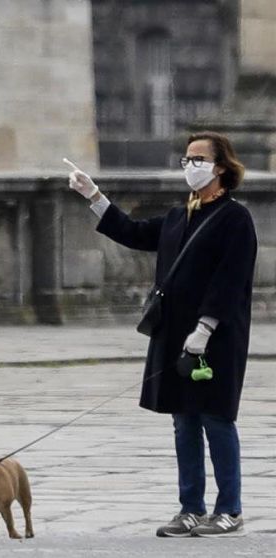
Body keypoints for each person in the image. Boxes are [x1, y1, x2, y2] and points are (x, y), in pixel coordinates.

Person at [67, 131, 257, 538]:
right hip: (173, 333)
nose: (191, 166)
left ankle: (230, 510)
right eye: (187, 159)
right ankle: (191, 508)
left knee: (216, 417)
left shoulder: (234, 218)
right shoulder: (179, 215)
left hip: (216, 336)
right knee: (183, 419)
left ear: (221, 166)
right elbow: (134, 233)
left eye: (199, 159)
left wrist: (206, 328)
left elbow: (231, 279)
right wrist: (93, 195)